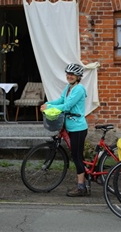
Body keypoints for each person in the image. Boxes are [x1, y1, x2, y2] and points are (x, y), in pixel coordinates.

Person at [40, 63, 88, 197]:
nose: (69, 76)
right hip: (70, 127)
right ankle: (86, 181)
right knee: (78, 155)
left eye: (72, 74)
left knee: (76, 156)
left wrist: (48, 109)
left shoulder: (79, 89)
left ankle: (81, 187)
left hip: (78, 128)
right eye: (68, 74)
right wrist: (48, 104)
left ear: (78, 76)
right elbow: (61, 100)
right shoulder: (69, 87)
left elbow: (67, 106)